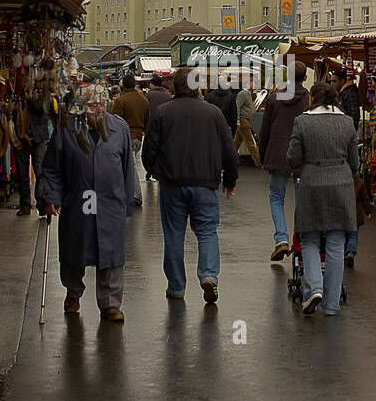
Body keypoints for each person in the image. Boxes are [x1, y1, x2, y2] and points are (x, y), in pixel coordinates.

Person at [39, 84, 137, 323]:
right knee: (75, 251)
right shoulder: (66, 129)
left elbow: (127, 168)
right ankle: (73, 293)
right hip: (78, 201)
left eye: (103, 105)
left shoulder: (119, 128)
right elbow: (52, 168)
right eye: (93, 106)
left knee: (112, 254)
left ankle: (111, 304)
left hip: (110, 202)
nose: (99, 110)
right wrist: (51, 197)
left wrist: (127, 201)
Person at [142, 67, 238, 305]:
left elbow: (149, 150)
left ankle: (176, 287)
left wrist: (155, 172)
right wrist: (229, 180)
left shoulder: (163, 113)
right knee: (206, 232)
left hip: (172, 184)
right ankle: (208, 275)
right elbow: (230, 152)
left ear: (175, 86)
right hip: (205, 183)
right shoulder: (213, 114)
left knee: (174, 235)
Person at [288, 81, 358, 316]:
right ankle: (331, 304)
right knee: (337, 243)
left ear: (313, 99)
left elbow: (294, 158)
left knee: (309, 239)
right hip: (341, 182)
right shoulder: (347, 122)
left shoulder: (302, 121)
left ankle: (314, 287)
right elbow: (355, 162)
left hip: (312, 183)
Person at [257, 60, 309, 261]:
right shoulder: (309, 99)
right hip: (301, 156)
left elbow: (265, 130)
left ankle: (281, 239)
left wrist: (263, 156)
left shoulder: (274, 98)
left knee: (276, 198)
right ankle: (300, 241)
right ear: (304, 78)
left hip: (277, 153)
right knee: (301, 200)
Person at [19, 81, 60, 216]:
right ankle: (25, 204)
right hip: (21, 136)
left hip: (40, 136)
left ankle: (41, 203)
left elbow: (44, 110)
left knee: (40, 172)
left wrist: (32, 96)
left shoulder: (44, 95)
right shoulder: (18, 92)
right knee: (22, 173)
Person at [110, 74, 150, 207]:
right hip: (138, 136)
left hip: (125, 136)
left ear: (124, 86)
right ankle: (128, 193)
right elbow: (147, 119)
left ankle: (135, 195)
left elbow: (114, 121)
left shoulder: (121, 101)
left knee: (130, 166)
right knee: (129, 164)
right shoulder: (143, 100)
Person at [233, 77, 262, 166]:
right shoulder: (242, 94)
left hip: (246, 119)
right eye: (253, 83)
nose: (254, 85)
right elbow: (237, 107)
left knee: (236, 143)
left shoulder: (248, 93)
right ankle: (258, 162)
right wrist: (238, 120)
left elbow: (248, 107)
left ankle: (229, 159)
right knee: (250, 142)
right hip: (243, 119)